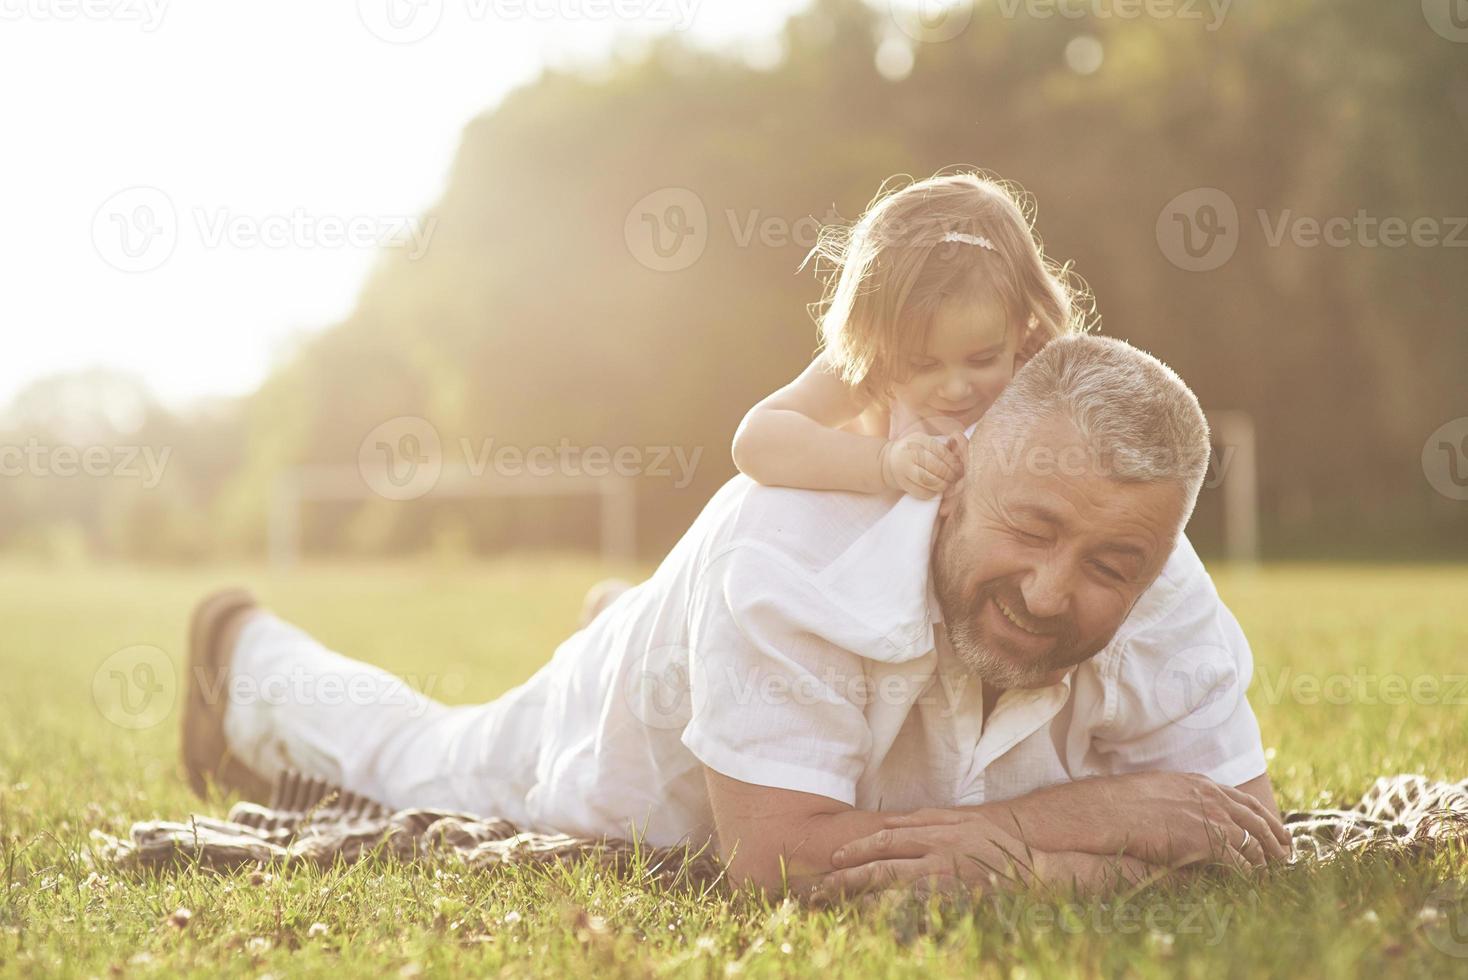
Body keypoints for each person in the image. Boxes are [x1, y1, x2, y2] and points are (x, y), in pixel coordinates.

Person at [182, 335, 1288, 898]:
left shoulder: (1158, 572)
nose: (1053, 591)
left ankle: (644, 625)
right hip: (620, 753)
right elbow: (781, 860)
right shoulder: (793, 550)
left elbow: (1246, 842)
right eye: (1030, 529)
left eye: (1108, 564)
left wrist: (1008, 854)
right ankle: (246, 655)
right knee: (426, 753)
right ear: (951, 477)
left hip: (756, 667)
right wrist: (1091, 822)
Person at [733, 170, 1088, 506]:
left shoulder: (1039, 373)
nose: (955, 388)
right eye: (922, 364)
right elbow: (755, 441)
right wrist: (884, 463)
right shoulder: (870, 366)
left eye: (982, 360)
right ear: (875, 338)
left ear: (1023, 324)